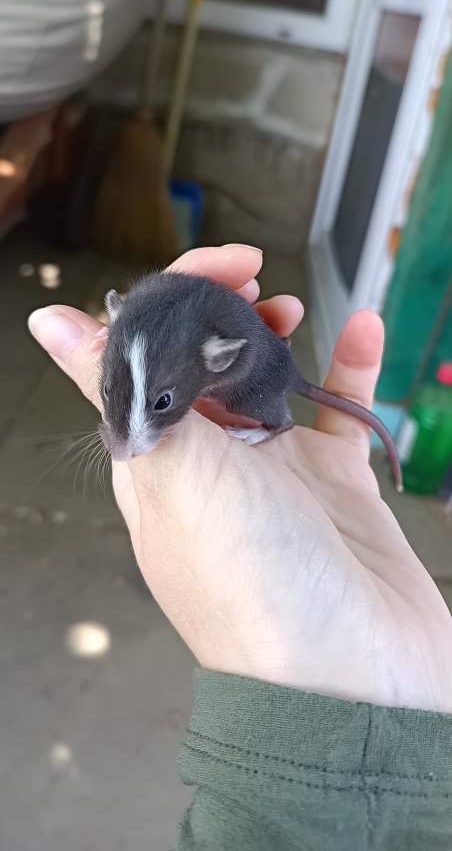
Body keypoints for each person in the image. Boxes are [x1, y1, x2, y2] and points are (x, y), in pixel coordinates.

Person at [29, 244, 452, 850]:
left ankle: (269, 424)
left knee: (255, 397)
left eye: (161, 407)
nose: (123, 443)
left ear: (215, 360)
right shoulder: (143, 319)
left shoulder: (229, 357)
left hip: (254, 371)